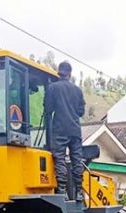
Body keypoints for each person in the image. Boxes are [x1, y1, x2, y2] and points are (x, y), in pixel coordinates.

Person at [45, 61, 86, 200]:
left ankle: (62, 189)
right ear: (70, 74)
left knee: (60, 158)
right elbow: (81, 112)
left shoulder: (52, 88)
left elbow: (48, 110)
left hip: (60, 129)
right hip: (75, 129)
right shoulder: (77, 90)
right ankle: (79, 191)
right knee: (77, 159)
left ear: (59, 72)